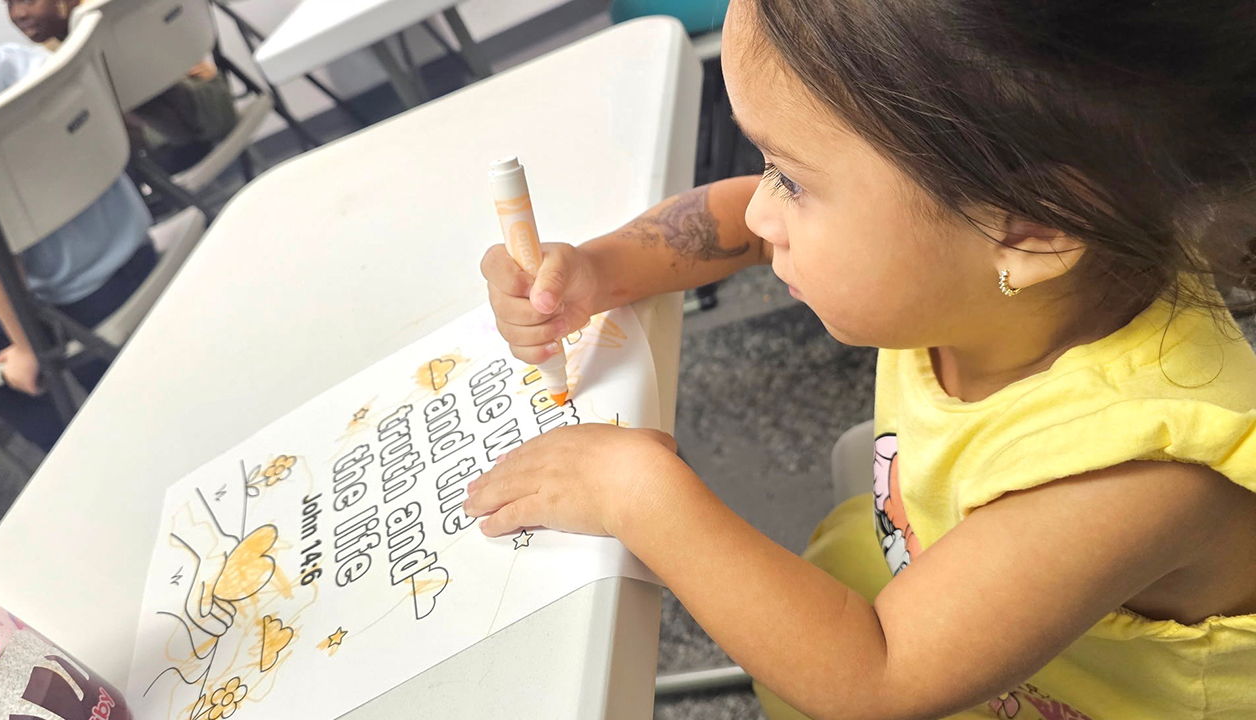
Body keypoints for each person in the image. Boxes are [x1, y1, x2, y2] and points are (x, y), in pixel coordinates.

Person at [466, 1, 1256, 718]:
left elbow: (877, 677)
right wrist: (599, 269)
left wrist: (639, 494)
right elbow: (733, 220)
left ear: (1032, 228)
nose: (758, 210)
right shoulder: (1009, 260)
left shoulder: (1135, 474)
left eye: (790, 179)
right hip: (934, 579)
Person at [0, 41, 155, 452]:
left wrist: (26, 348)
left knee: (140, 419)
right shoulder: (27, 60)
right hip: (139, 240)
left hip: (81, 304)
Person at [5, 0, 238, 175]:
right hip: (166, 139)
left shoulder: (112, 13)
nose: (18, 14)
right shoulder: (46, 52)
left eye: (28, 0)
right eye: (8, 3)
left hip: (205, 111)